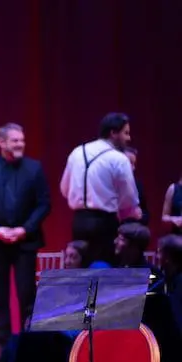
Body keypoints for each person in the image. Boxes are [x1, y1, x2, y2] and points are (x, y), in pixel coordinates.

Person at [0, 123, 51, 347]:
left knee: (27, 296)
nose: (20, 144)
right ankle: (3, 349)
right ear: (2, 142)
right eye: (15, 140)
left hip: (25, 243)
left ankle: (29, 346)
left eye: (22, 140)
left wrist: (24, 229)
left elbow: (44, 203)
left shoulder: (34, 169)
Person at [60, 112, 141, 265]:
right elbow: (129, 199)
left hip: (79, 222)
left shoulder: (77, 152)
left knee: (81, 269)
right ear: (113, 133)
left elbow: (64, 189)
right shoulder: (119, 159)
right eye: (126, 133)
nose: (129, 138)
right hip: (105, 223)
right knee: (103, 270)